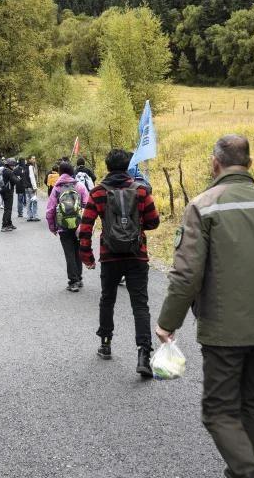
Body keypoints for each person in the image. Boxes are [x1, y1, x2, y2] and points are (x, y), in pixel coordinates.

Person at [156, 134, 254, 478]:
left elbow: (186, 274)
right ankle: (240, 470)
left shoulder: (204, 206)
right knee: (251, 402)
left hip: (223, 328)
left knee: (218, 410)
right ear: (251, 164)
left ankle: (250, 472)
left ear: (215, 164)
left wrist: (168, 322)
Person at [78, 149, 161, 377]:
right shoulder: (141, 190)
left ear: (107, 166)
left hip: (110, 255)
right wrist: (136, 224)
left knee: (107, 299)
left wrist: (88, 257)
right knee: (140, 305)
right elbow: (154, 222)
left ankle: (105, 343)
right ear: (127, 167)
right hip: (137, 255)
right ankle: (144, 353)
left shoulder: (97, 192)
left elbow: (85, 228)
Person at [45, 162, 90, 292]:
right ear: (72, 172)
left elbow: (50, 210)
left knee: (69, 253)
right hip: (78, 225)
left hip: (63, 226)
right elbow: (87, 205)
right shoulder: (79, 186)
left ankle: (73, 281)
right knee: (78, 251)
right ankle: (79, 278)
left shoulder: (57, 188)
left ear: (60, 172)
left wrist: (52, 227)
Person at [0, 158, 19, 232]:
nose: (14, 166)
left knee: (8, 208)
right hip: (8, 191)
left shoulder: (4, 170)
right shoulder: (9, 172)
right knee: (8, 209)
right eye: (13, 165)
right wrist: (18, 178)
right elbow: (15, 181)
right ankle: (4, 225)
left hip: (4, 190)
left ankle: (9, 223)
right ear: (10, 165)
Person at [24, 156, 40, 222]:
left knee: (28, 202)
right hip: (31, 187)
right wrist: (35, 187)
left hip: (26, 187)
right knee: (34, 201)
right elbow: (32, 177)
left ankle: (29, 216)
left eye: (34, 158)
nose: (34, 160)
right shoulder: (31, 167)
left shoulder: (24, 167)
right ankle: (35, 216)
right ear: (29, 159)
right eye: (32, 159)